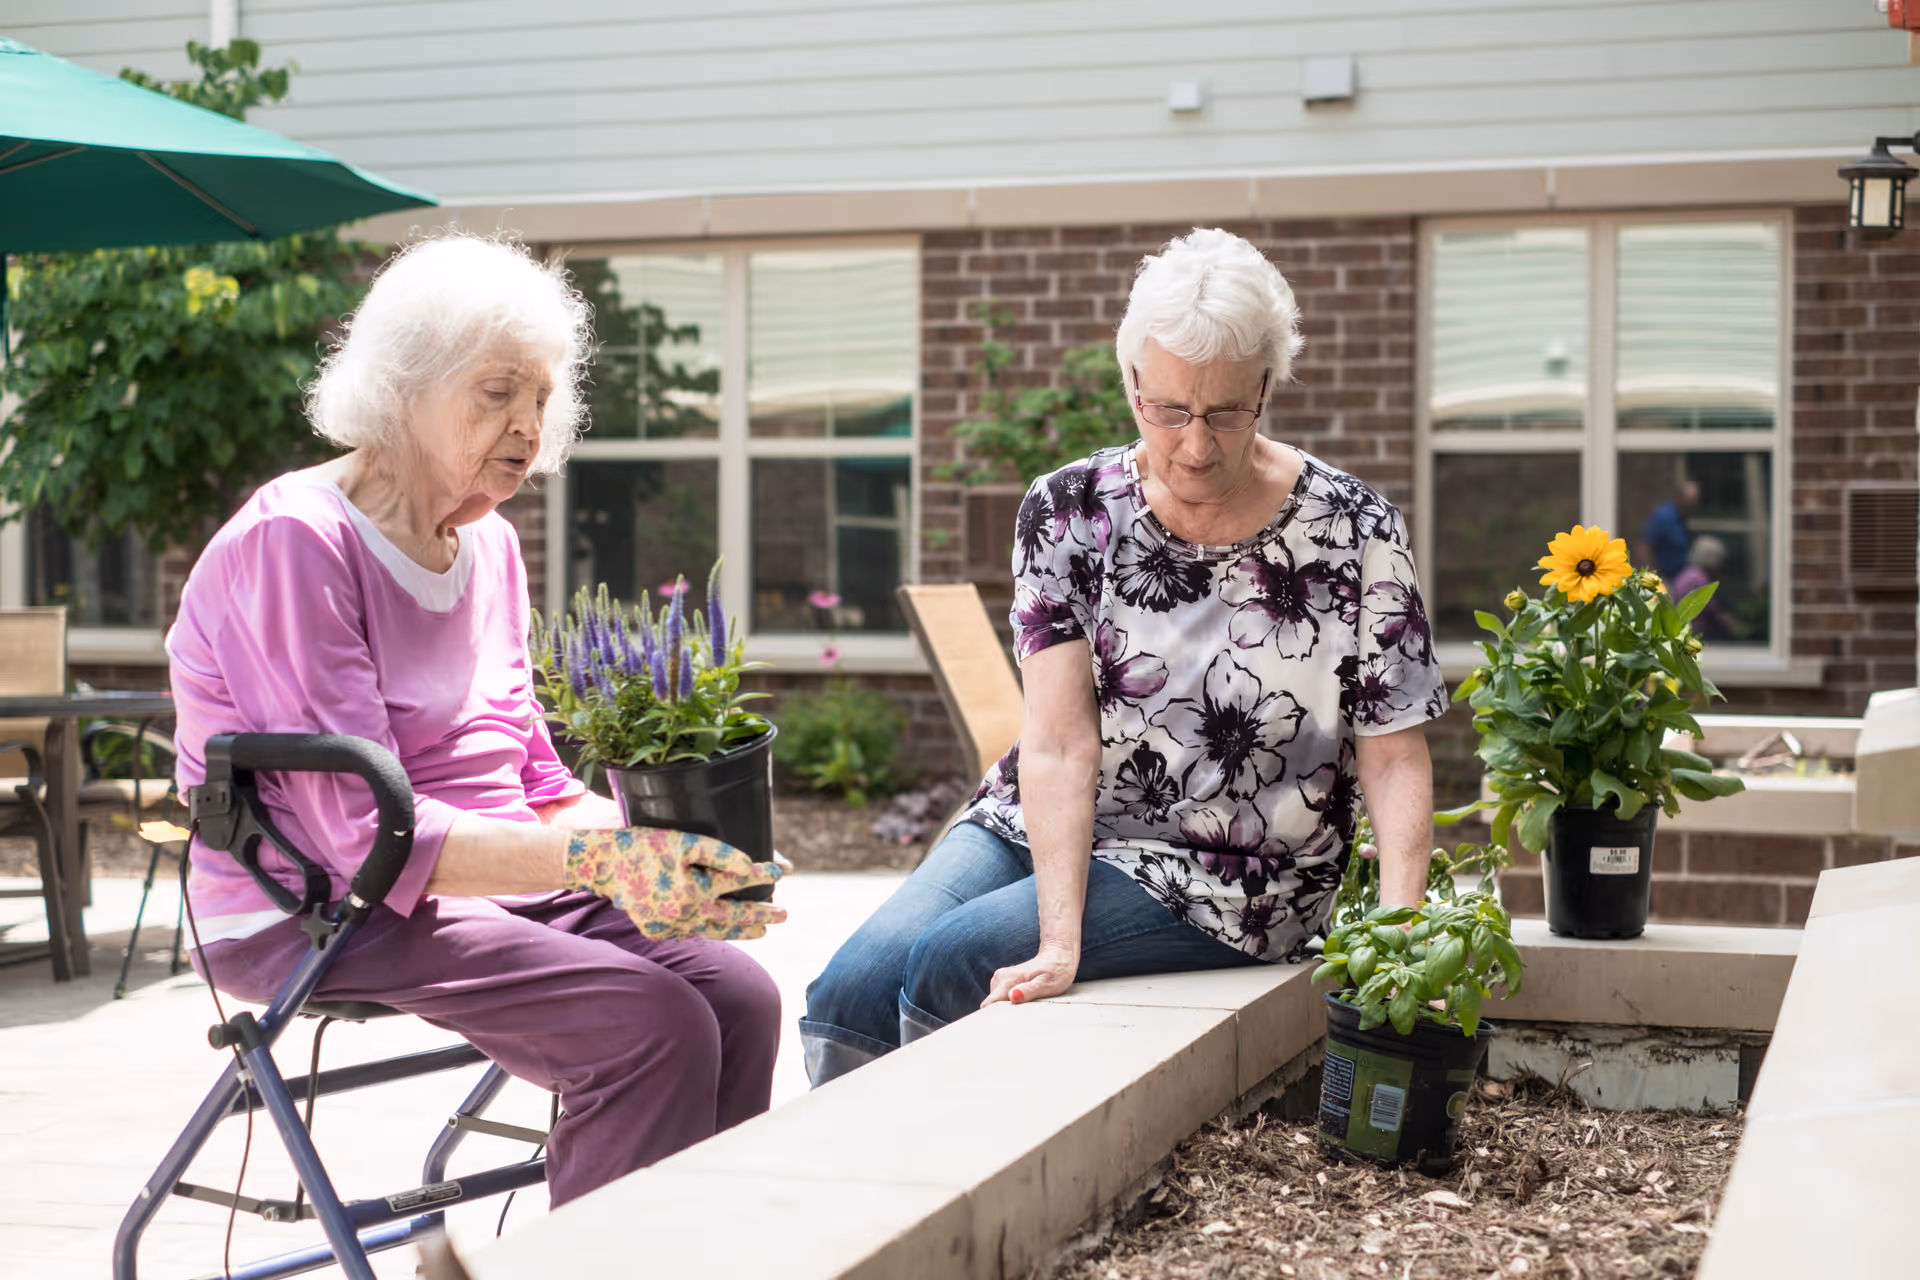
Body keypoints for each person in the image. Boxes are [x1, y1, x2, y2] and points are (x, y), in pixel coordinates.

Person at [167, 235, 785, 1206]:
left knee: (736, 995)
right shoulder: (296, 540)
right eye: (497, 391)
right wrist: (609, 862)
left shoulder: (489, 544)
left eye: (541, 396)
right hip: (320, 900)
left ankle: (686, 1251)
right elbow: (358, 834)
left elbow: (533, 780)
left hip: (477, 879)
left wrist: (676, 852)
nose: (528, 423)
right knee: (649, 1021)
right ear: (400, 387)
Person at [799, 228, 1449, 1085]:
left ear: (1267, 386)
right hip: (1051, 816)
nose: (1196, 444)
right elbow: (1061, 742)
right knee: (852, 987)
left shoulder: (1357, 530)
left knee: (954, 962)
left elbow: (1394, 752)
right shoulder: (1069, 511)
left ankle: (965, 1183)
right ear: (1131, 381)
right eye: (1168, 409)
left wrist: (1398, 940)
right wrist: (1060, 936)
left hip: (1232, 871)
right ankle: (855, 1192)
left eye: (1226, 410)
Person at [1670, 534, 1734, 640]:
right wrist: (1727, 620)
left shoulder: (1686, 574)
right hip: (1691, 634)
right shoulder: (1698, 579)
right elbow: (1710, 609)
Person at [1640, 480, 1700, 582]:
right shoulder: (1664, 517)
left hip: (1680, 579)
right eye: (1690, 500)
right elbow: (1645, 547)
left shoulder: (1683, 520)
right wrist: (1655, 578)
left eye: (1696, 501)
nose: (1693, 505)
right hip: (1664, 579)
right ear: (1680, 498)